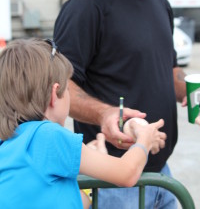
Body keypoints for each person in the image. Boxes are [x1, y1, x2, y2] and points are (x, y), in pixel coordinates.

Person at [53, 0, 187, 208]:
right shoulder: (88, 3)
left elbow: (170, 68)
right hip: (111, 180)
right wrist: (104, 114)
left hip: (160, 175)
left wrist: (189, 90)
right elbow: (57, 87)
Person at [0, 38, 166, 209]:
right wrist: (144, 140)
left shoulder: (9, 142)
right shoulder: (48, 135)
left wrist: (94, 161)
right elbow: (127, 173)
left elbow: (72, 201)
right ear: (54, 94)